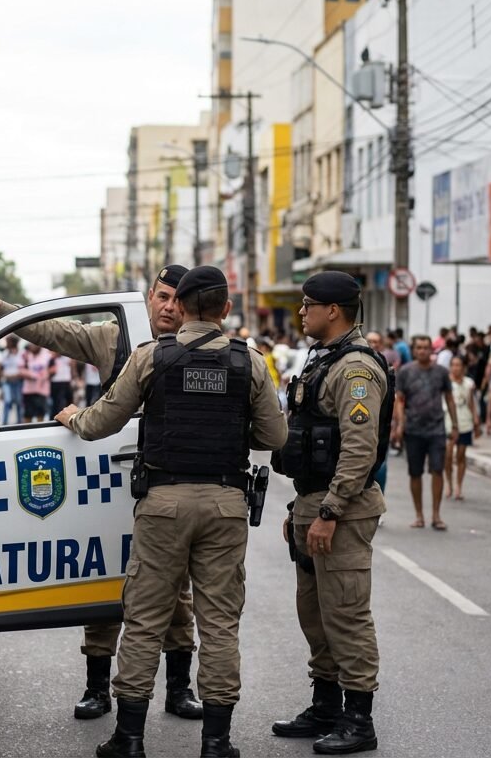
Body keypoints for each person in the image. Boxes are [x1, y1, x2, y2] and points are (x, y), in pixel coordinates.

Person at [0, 266, 210, 722]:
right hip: (111, 481)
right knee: (106, 582)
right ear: (149, 296)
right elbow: (56, 331)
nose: (169, 307)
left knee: (176, 590)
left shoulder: (200, 345)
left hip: (169, 484)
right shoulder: (114, 338)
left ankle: (178, 687)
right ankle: (98, 688)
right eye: (163, 296)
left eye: (179, 299)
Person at [56, 266, 286, 758]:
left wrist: (72, 417)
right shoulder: (251, 364)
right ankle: (217, 743)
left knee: (143, 619)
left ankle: (130, 739)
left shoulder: (150, 359)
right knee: (220, 622)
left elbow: (100, 423)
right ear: (227, 309)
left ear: (179, 307)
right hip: (226, 505)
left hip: (162, 505)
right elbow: (274, 437)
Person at [271, 271, 391, 756]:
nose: (301, 313)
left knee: (346, 612)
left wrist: (329, 511)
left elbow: (360, 450)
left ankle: (358, 719)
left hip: (342, 509)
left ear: (333, 311)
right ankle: (325, 704)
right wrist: (299, 507)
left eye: (307, 305)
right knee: (314, 612)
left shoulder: (355, 370)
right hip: (313, 502)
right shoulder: (324, 361)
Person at [393, 336, 458, 530]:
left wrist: (454, 425)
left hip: (437, 428)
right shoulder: (405, 372)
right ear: (414, 351)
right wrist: (399, 425)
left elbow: (449, 398)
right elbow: (400, 400)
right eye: (419, 348)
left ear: (432, 350)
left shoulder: (441, 372)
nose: (422, 351)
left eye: (426, 348)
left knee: (437, 470)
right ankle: (419, 515)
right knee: (415, 472)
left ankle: (436, 515)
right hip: (413, 429)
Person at [443, 355, 479, 502]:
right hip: (448, 420)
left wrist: (476, 420)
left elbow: (471, 402)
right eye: (453, 365)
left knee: (461, 455)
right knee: (448, 455)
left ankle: (459, 485)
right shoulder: (446, 382)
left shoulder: (469, 383)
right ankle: (449, 483)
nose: (456, 368)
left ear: (464, 367)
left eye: (459, 365)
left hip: (465, 420)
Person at [19, 343, 53, 423]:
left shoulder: (47, 354)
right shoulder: (25, 354)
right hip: (28, 390)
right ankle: (27, 433)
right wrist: (32, 375)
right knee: (27, 414)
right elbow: (20, 370)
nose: (32, 346)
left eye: (34, 344)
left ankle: (40, 434)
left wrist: (45, 375)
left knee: (40, 414)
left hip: (42, 391)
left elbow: (53, 368)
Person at [0, 335, 24, 424]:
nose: (7, 344)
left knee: (19, 402)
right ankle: (5, 423)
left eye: (8, 341)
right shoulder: (5, 353)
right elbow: (1, 368)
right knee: (7, 402)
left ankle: (20, 423)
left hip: (19, 381)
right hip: (7, 382)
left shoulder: (21, 353)